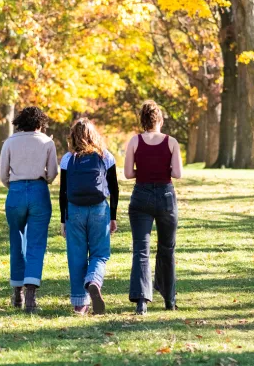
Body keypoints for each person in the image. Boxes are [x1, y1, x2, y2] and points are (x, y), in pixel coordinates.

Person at [123, 100, 183, 315]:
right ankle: (169, 298)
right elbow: (177, 173)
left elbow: (128, 174)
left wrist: (145, 171)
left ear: (143, 120)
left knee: (141, 249)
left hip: (141, 196)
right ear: (160, 120)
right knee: (167, 248)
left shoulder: (134, 141)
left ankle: (141, 301)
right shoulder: (171, 142)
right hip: (166, 196)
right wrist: (161, 169)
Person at [0, 106, 58, 313]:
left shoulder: (10, 142)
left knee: (17, 240)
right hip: (38, 191)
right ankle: (31, 294)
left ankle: (17, 292)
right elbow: (52, 173)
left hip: (15, 191)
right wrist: (42, 179)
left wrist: (13, 185)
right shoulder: (47, 142)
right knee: (36, 242)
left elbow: (2, 172)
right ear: (40, 124)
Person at [59, 118, 119, 315]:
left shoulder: (68, 159)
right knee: (100, 253)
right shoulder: (105, 156)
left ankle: (79, 304)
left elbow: (63, 192)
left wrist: (63, 220)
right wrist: (113, 216)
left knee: (76, 256)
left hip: (74, 210)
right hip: (99, 210)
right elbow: (114, 189)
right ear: (94, 136)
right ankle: (93, 280)